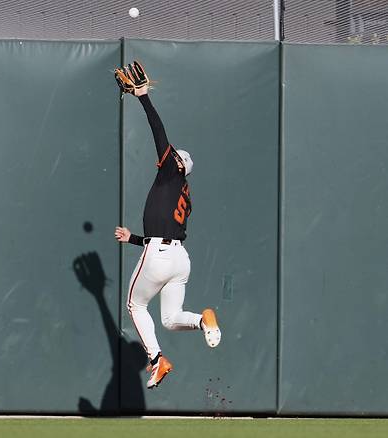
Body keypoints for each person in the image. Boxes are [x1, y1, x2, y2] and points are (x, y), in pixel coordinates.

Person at [114, 61, 222, 389]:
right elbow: (163, 230)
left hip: (161, 254)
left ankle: (157, 359)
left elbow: (158, 132)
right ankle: (203, 321)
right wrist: (134, 239)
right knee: (171, 320)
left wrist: (143, 97)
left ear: (177, 163)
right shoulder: (181, 189)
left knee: (135, 304)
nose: (164, 157)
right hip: (178, 259)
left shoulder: (170, 171)